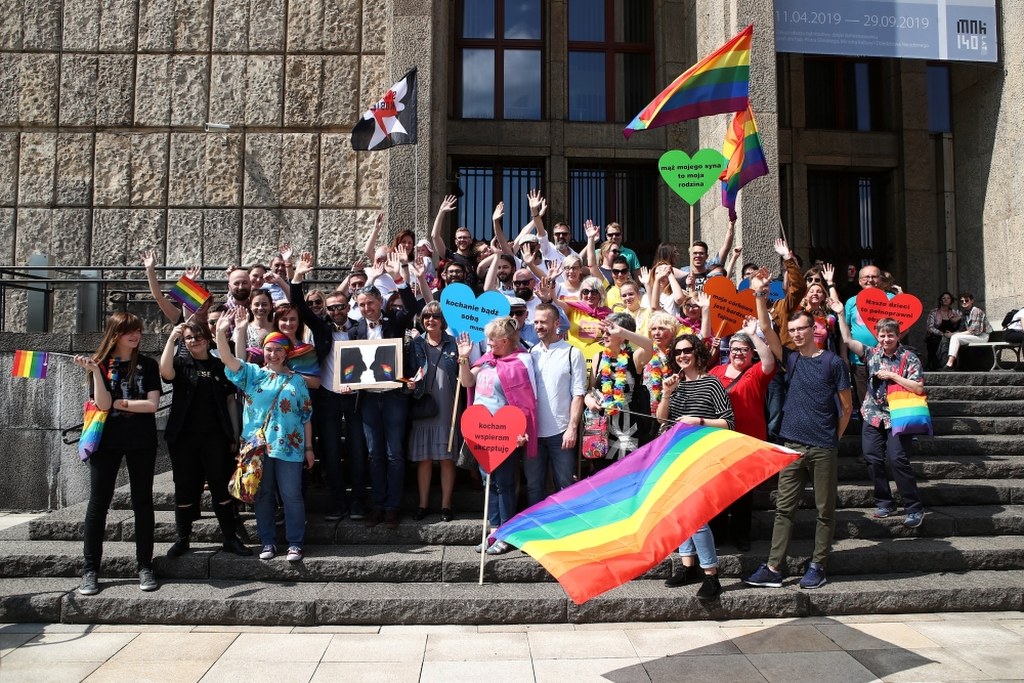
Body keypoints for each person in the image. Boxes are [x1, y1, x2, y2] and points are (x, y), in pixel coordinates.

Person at [744, 310, 852, 590]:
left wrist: (833, 439)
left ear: (813, 328)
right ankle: (773, 568)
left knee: (825, 510)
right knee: (783, 509)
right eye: (792, 330)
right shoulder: (791, 359)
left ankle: (818, 566)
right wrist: (759, 296)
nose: (796, 334)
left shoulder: (833, 363)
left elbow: (847, 407)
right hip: (791, 445)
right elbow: (767, 329)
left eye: (800, 329)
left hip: (822, 447)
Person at [75, 312, 162, 596]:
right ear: (115, 334)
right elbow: (102, 404)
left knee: (142, 501)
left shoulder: (148, 364)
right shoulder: (100, 364)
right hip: (106, 440)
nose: (135, 336)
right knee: (98, 503)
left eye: (138, 330)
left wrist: (119, 403)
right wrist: (95, 373)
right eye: (128, 331)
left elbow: (151, 405)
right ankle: (90, 569)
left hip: (141, 439)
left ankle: (145, 565)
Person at [216, 308, 313, 563]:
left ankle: (295, 543)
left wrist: (309, 448)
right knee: (263, 495)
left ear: (286, 352)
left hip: (290, 446)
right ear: (264, 351)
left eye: (279, 349)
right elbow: (228, 360)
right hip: (258, 447)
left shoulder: (298, 381)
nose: (274, 354)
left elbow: (306, 416)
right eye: (269, 349)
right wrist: (223, 332)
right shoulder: (254, 375)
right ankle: (267, 541)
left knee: (292, 495)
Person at [159, 320, 251, 558]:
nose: (194, 341)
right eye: (189, 338)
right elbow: (165, 373)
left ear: (208, 339)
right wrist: (171, 339)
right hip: (184, 438)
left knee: (221, 488)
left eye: (198, 336)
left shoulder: (219, 366)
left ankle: (230, 537)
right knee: (185, 487)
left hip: (216, 437)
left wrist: (234, 434)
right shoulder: (180, 363)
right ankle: (182, 538)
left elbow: (230, 401)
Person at [705, 273, 782, 551]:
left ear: (751, 354)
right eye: (735, 349)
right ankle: (718, 534)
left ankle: (741, 535)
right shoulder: (715, 372)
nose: (739, 353)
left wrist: (752, 335)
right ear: (729, 352)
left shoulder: (755, 373)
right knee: (718, 490)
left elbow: (769, 360)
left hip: (748, 440)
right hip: (718, 441)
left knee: (743, 491)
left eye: (744, 350)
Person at [657, 333, 735, 600]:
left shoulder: (712, 383)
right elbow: (661, 419)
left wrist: (698, 421)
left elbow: (728, 422)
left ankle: (712, 575)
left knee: (696, 517)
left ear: (698, 352)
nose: (682, 355)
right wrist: (666, 394)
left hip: (703, 456)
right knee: (679, 514)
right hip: (675, 455)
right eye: (677, 352)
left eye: (687, 350)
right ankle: (688, 566)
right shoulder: (674, 383)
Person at [290, 253, 368, 521]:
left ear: (348, 306)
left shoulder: (360, 328)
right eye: (332, 308)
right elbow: (300, 307)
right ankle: (338, 503)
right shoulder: (321, 328)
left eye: (341, 307)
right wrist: (297, 277)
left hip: (356, 397)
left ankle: (358, 502)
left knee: (358, 450)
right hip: (328, 397)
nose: (336, 312)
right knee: (332, 452)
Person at [833, 307, 926, 528]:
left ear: (898, 335)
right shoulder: (871, 353)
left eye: (890, 335)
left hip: (898, 415)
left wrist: (893, 375)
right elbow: (847, 340)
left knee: (897, 459)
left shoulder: (909, 358)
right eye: (882, 335)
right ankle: (885, 502)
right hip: (872, 414)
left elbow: (918, 387)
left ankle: (913, 507)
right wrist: (840, 314)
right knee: (872, 458)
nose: (886, 339)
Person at [457, 317, 538, 555]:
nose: (489, 343)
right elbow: (467, 381)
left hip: (505, 433)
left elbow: (527, 400)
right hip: (482, 432)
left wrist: (523, 431)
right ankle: (493, 532)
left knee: (504, 484)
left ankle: (506, 534)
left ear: (506, 340)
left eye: (492, 339)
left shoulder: (521, 361)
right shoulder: (485, 361)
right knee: (488, 483)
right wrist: (464, 358)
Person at [351, 262, 418, 529]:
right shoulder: (355, 330)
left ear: (380, 302)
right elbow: (350, 365)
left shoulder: (395, 321)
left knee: (394, 453)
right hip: (367, 398)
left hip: (393, 397)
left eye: (371, 303)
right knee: (374, 454)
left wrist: (399, 278)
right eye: (362, 304)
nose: (367, 308)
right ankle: (378, 504)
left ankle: (393, 507)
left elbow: (413, 307)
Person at [528, 303, 587, 505]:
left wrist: (572, 428)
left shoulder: (572, 353)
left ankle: (566, 525)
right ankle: (535, 525)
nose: (538, 326)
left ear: (556, 323)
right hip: (534, 434)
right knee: (534, 487)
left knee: (565, 486)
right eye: (536, 322)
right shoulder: (530, 354)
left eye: (543, 322)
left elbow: (578, 394)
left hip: (561, 433)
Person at [409, 302, 461, 521]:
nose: (430, 320)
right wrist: (410, 384)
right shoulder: (415, 344)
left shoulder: (454, 343)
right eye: (426, 316)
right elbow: (408, 371)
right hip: (424, 403)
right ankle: (423, 504)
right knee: (425, 458)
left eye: (435, 316)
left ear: (442, 320)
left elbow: (461, 372)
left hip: (448, 403)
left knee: (447, 458)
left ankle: (446, 505)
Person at [584, 313, 655, 464]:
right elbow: (591, 390)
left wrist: (622, 331)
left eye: (609, 332)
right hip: (602, 427)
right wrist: (588, 399)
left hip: (630, 427)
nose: (604, 336)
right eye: (603, 332)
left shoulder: (635, 358)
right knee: (602, 469)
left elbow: (650, 345)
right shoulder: (599, 357)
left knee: (629, 468)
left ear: (622, 336)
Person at [946, 292, 992, 369]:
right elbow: (964, 330)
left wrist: (953, 334)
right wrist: (953, 333)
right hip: (974, 335)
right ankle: (953, 363)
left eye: (966, 300)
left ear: (972, 301)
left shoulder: (976, 311)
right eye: (962, 301)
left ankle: (950, 363)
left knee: (955, 337)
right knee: (953, 337)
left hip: (982, 336)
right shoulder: (966, 313)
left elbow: (974, 331)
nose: (964, 302)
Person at [926, 292, 962, 370]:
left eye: (948, 298)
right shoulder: (934, 312)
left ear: (951, 300)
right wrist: (942, 334)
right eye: (944, 298)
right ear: (940, 300)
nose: (946, 300)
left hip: (951, 335)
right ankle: (941, 365)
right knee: (939, 342)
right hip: (937, 335)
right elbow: (930, 327)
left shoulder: (954, 312)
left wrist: (958, 319)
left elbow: (961, 324)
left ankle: (953, 365)